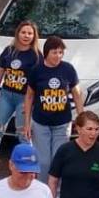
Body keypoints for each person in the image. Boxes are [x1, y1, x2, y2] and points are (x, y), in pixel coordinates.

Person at [0, 20, 41, 180]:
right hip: (6, 95)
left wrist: (32, 102)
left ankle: (28, 168)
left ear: (34, 36)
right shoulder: (9, 50)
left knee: (23, 134)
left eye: (30, 33)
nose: (26, 36)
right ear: (18, 33)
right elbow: (0, 71)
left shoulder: (36, 55)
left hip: (23, 99)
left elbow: (38, 81)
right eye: (23, 32)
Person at [24, 35, 84, 180]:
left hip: (62, 123)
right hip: (41, 123)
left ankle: (57, 194)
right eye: (54, 52)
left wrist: (82, 118)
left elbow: (77, 94)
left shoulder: (68, 69)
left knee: (59, 159)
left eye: (60, 52)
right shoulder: (37, 71)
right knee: (44, 162)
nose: (58, 56)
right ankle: (43, 192)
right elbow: (30, 96)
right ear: (46, 53)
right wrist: (27, 123)